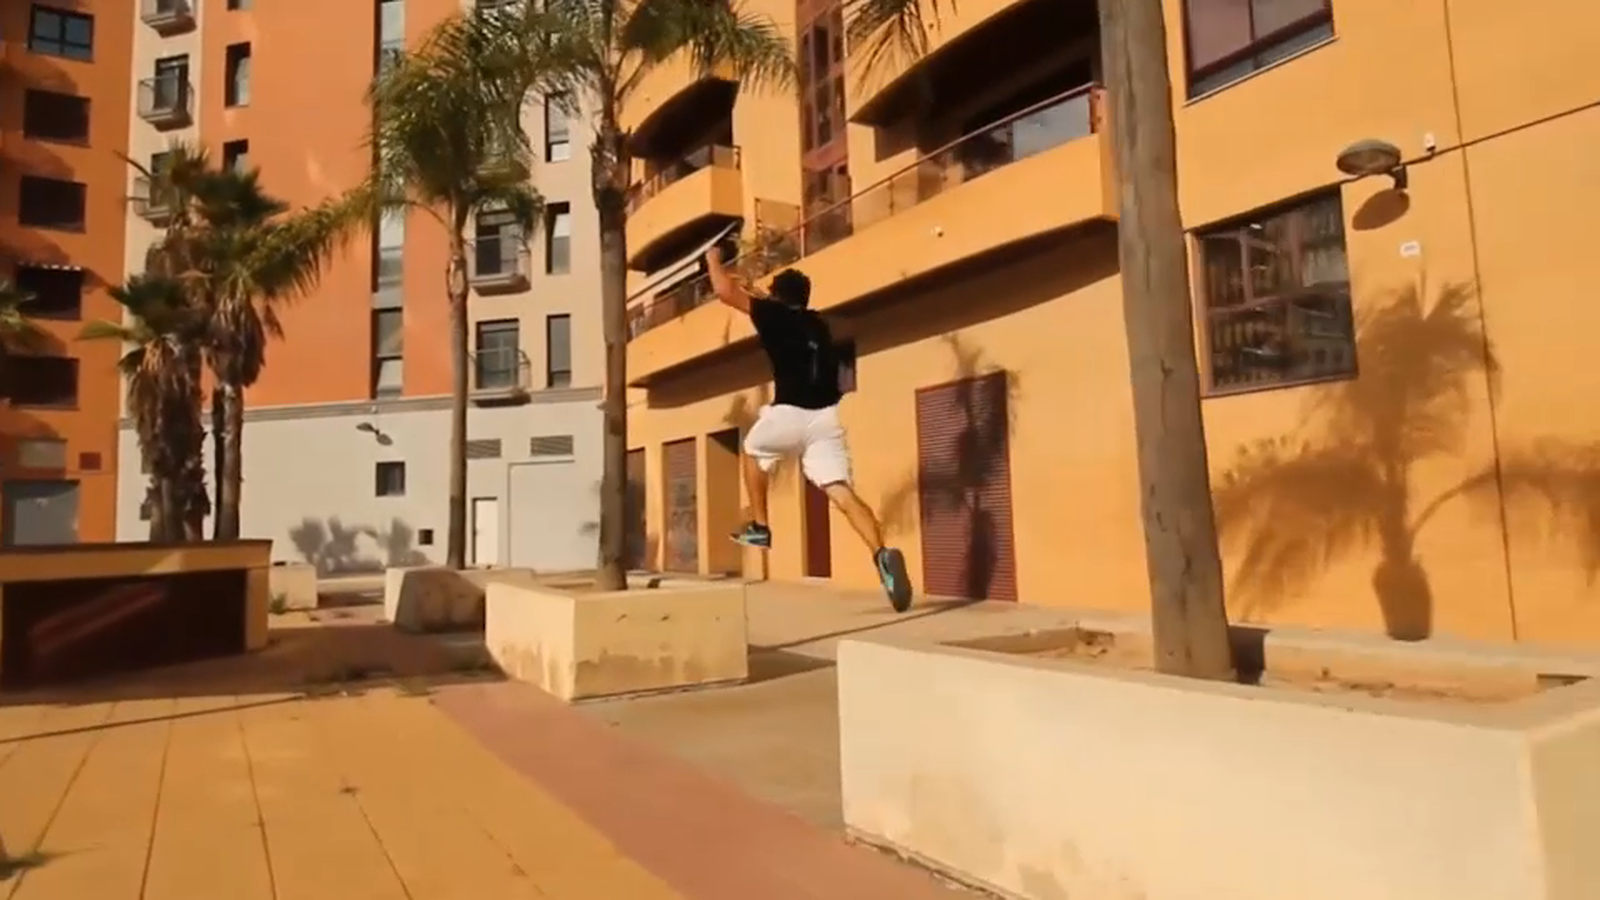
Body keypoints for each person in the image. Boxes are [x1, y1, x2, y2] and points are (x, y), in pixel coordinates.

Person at [704, 245, 913, 612]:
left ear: (778, 297)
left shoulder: (771, 315)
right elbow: (769, 302)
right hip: (825, 419)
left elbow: (725, 292)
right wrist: (755, 289)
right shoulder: (818, 324)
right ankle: (881, 554)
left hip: (789, 412)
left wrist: (712, 259)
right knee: (841, 492)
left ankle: (760, 525)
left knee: (752, 452)